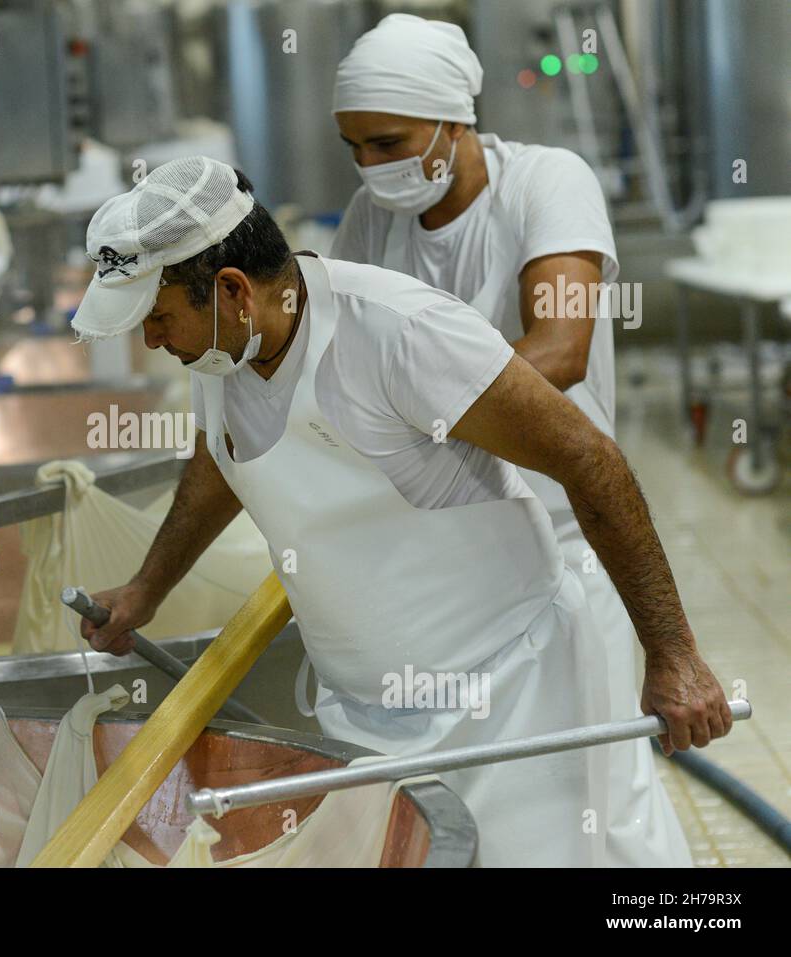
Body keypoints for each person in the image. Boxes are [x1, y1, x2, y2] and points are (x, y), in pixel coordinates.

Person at [68, 155, 729, 867]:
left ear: (232, 290)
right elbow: (222, 462)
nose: (153, 342)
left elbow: (590, 461)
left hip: (509, 697)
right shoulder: (221, 356)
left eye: (159, 318)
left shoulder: (399, 332)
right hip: (366, 716)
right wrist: (147, 588)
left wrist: (675, 654)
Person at [328, 13, 691, 865]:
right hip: (456, 562)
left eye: (390, 142)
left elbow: (559, 348)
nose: (372, 167)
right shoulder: (371, 218)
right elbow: (337, 356)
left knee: (611, 796)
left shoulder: (546, 183)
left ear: (455, 121)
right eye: (355, 148)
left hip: (568, 542)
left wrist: (414, 426)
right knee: (510, 801)